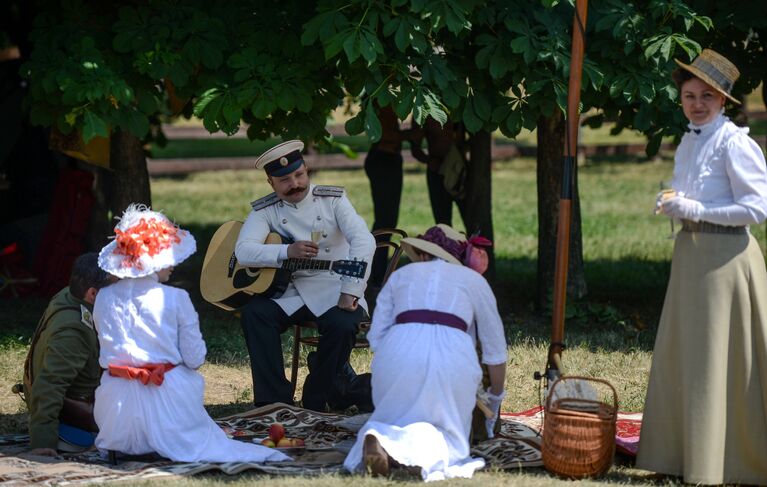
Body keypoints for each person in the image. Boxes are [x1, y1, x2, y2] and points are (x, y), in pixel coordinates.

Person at [638, 49, 767, 485]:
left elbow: (756, 209)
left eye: (706, 96)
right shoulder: (690, 139)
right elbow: (691, 193)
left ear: (724, 101)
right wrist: (674, 202)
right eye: (689, 95)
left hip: (726, 261)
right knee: (687, 356)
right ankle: (681, 456)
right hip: (691, 255)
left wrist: (693, 206)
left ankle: (724, 463)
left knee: (718, 359)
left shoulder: (736, 143)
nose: (696, 103)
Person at [92, 205, 289, 463]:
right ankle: (167, 439)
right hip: (166, 399)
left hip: (115, 404)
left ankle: (129, 444)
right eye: (167, 254)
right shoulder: (175, 298)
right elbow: (195, 358)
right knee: (188, 383)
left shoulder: (103, 297)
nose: (173, 262)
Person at [343, 224, 506, 481]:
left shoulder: (401, 276)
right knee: (448, 435)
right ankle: (403, 449)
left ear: (423, 253)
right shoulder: (474, 281)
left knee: (396, 417)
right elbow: (495, 353)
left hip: (397, 353)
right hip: (453, 359)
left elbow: (376, 338)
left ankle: (380, 436)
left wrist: (401, 357)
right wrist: (494, 401)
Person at [235, 140, 376, 412]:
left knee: (343, 322)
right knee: (256, 314)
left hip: (335, 283)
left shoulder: (332, 200)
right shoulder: (266, 210)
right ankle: (273, 403)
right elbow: (244, 251)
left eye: (299, 175)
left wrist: (351, 291)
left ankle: (316, 396)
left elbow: (363, 241)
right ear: (271, 182)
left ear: (307, 169)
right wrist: (286, 251)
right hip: (290, 289)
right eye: (284, 180)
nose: (295, 184)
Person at [25, 252, 115, 455]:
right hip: (74, 423)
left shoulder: (69, 295)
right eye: (114, 288)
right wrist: (43, 442)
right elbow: (49, 384)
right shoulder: (74, 331)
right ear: (93, 294)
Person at [364, 105, 417, 288]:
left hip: (389, 158)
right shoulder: (382, 103)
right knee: (385, 222)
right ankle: (376, 274)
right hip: (384, 159)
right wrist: (409, 135)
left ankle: (377, 273)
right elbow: (382, 135)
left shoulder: (388, 101)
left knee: (387, 221)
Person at [409, 117, 467, 227]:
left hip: (460, 171)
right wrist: (430, 161)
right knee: (443, 225)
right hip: (437, 172)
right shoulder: (424, 111)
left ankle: (473, 244)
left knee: (471, 220)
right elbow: (415, 147)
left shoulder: (460, 107)